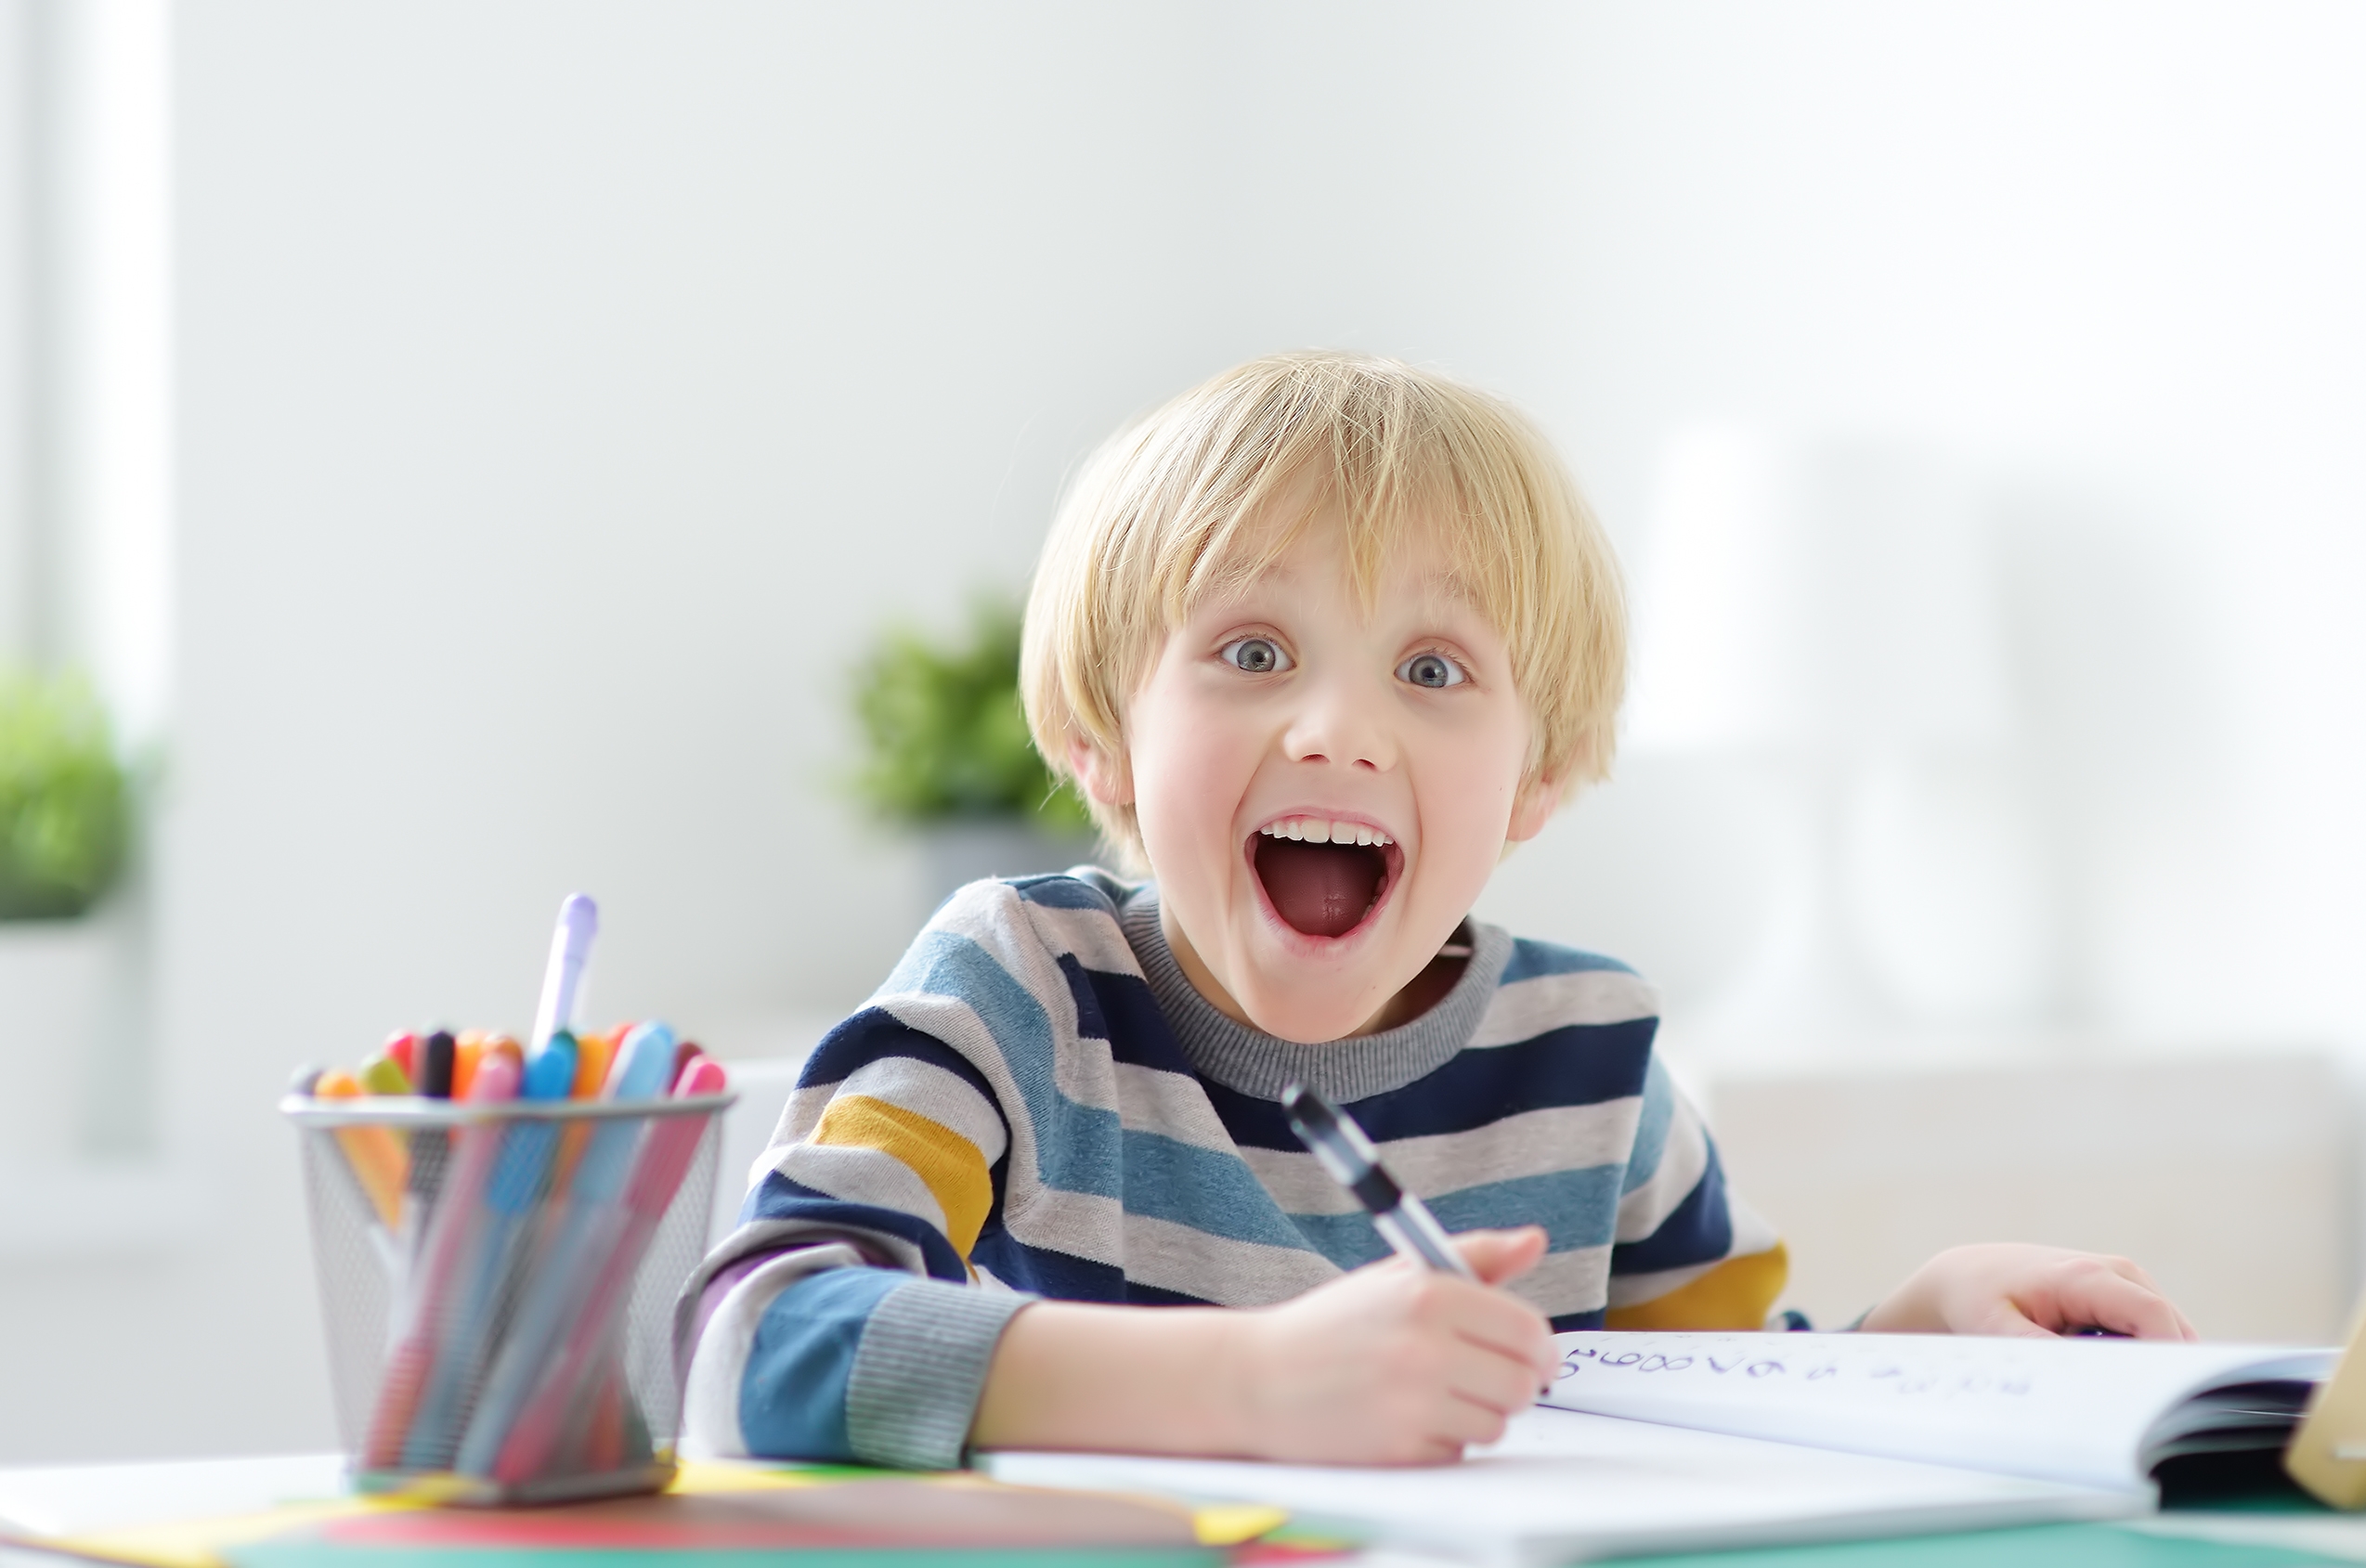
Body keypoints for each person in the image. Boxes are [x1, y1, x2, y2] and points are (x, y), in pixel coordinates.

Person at [679, 352, 2192, 1471]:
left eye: (1434, 670)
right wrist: (1255, 1387)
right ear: (1098, 737)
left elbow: (1723, 1410)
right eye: (1255, 650)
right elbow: (758, 1342)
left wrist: (1919, 1330)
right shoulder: (1016, 986)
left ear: (1538, 779)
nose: (1342, 727)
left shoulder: (1589, 1053)